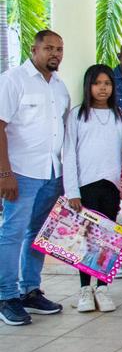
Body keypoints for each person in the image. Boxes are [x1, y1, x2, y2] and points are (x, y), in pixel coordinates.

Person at [0, 31, 68, 325]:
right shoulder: (14, 80)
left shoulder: (60, 87)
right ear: (34, 49)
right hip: (22, 173)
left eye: (59, 49)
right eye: (49, 48)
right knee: (12, 233)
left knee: (39, 235)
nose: (55, 54)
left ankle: (30, 290)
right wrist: (5, 173)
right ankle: (6, 296)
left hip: (52, 173)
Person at [64, 64, 122, 312]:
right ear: (89, 86)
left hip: (112, 185)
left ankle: (103, 287)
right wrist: (72, 191)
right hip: (85, 186)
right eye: (97, 83)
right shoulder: (77, 115)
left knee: (109, 238)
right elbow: (69, 154)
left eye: (107, 83)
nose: (103, 88)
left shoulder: (120, 114)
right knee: (86, 238)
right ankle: (86, 289)